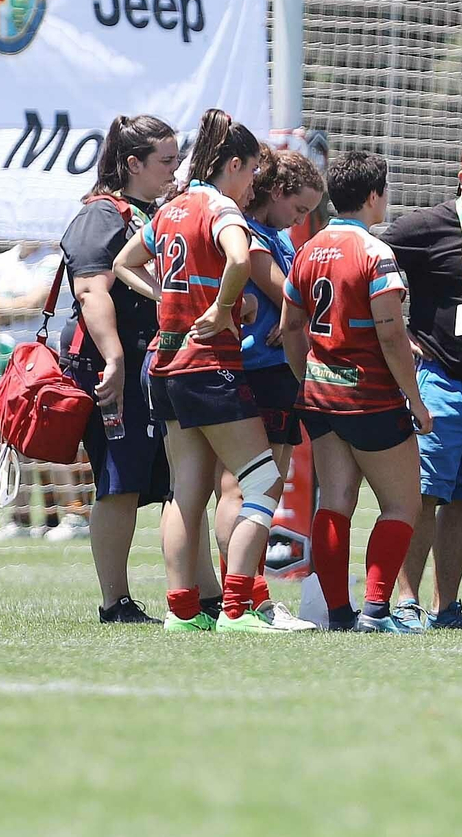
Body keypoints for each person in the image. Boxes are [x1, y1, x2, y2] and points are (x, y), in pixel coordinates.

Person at [113, 109, 289, 635]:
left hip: (163, 366)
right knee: (263, 481)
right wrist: (222, 306)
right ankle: (237, 608)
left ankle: (183, 612)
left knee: (184, 493)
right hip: (209, 365)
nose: (254, 180)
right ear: (232, 163)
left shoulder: (170, 208)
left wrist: (176, 296)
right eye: (253, 168)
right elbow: (238, 260)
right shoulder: (220, 207)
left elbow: (125, 262)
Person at [281, 151, 430, 634]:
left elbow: (290, 329)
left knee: (335, 503)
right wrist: (415, 398)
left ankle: (340, 615)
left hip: (321, 400)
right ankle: (375, 612)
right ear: (372, 196)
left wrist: (310, 378)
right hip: (371, 398)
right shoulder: (373, 252)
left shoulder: (308, 249)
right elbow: (390, 334)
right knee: (403, 504)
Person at [60, 114, 195, 625]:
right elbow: (91, 291)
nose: (174, 168)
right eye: (166, 160)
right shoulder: (101, 216)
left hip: (154, 364)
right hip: (115, 366)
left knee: (171, 482)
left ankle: (194, 597)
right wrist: (115, 359)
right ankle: (114, 603)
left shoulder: (150, 212)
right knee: (119, 483)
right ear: (133, 163)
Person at [379, 137, 462, 630]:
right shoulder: (427, 226)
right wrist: (393, 327)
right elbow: (370, 255)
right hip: (440, 380)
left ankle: (446, 606)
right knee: (424, 495)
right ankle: (407, 603)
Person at [208, 151, 325, 633]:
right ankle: (245, 599)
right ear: (276, 193)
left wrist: (291, 316)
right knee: (244, 486)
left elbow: (292, 306)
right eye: (298, 210)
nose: (299, 221)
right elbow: (293, 297)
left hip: (270, 372)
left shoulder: (273, 235)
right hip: (256, 371)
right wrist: (290, 314)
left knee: (252, 485)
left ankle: (245, 598)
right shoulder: (252, 237)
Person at [0, 240, 91, 543]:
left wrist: (2, 308)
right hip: (9, 357)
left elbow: (35, 303)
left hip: (44, 358)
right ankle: (19, 519)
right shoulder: (2, 262)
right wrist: (9, 310)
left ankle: (74, 515)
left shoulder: (53, 261)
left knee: (51, 439)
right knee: (11, 440)